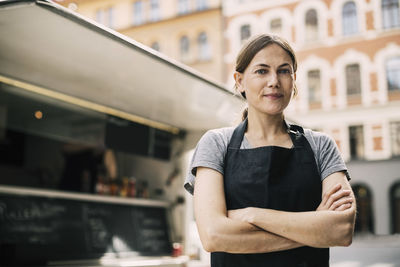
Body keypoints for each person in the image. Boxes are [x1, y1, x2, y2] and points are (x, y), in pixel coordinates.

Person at [184, 34, 356, 267]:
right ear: (240, 81)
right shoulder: (216, 144)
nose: (274, 81)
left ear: (294, 80)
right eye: (262, 71)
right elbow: (213, 236)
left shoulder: (321, 145)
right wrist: (312, 229)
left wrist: (251, 215)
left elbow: (341, 230)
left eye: (284, 71)